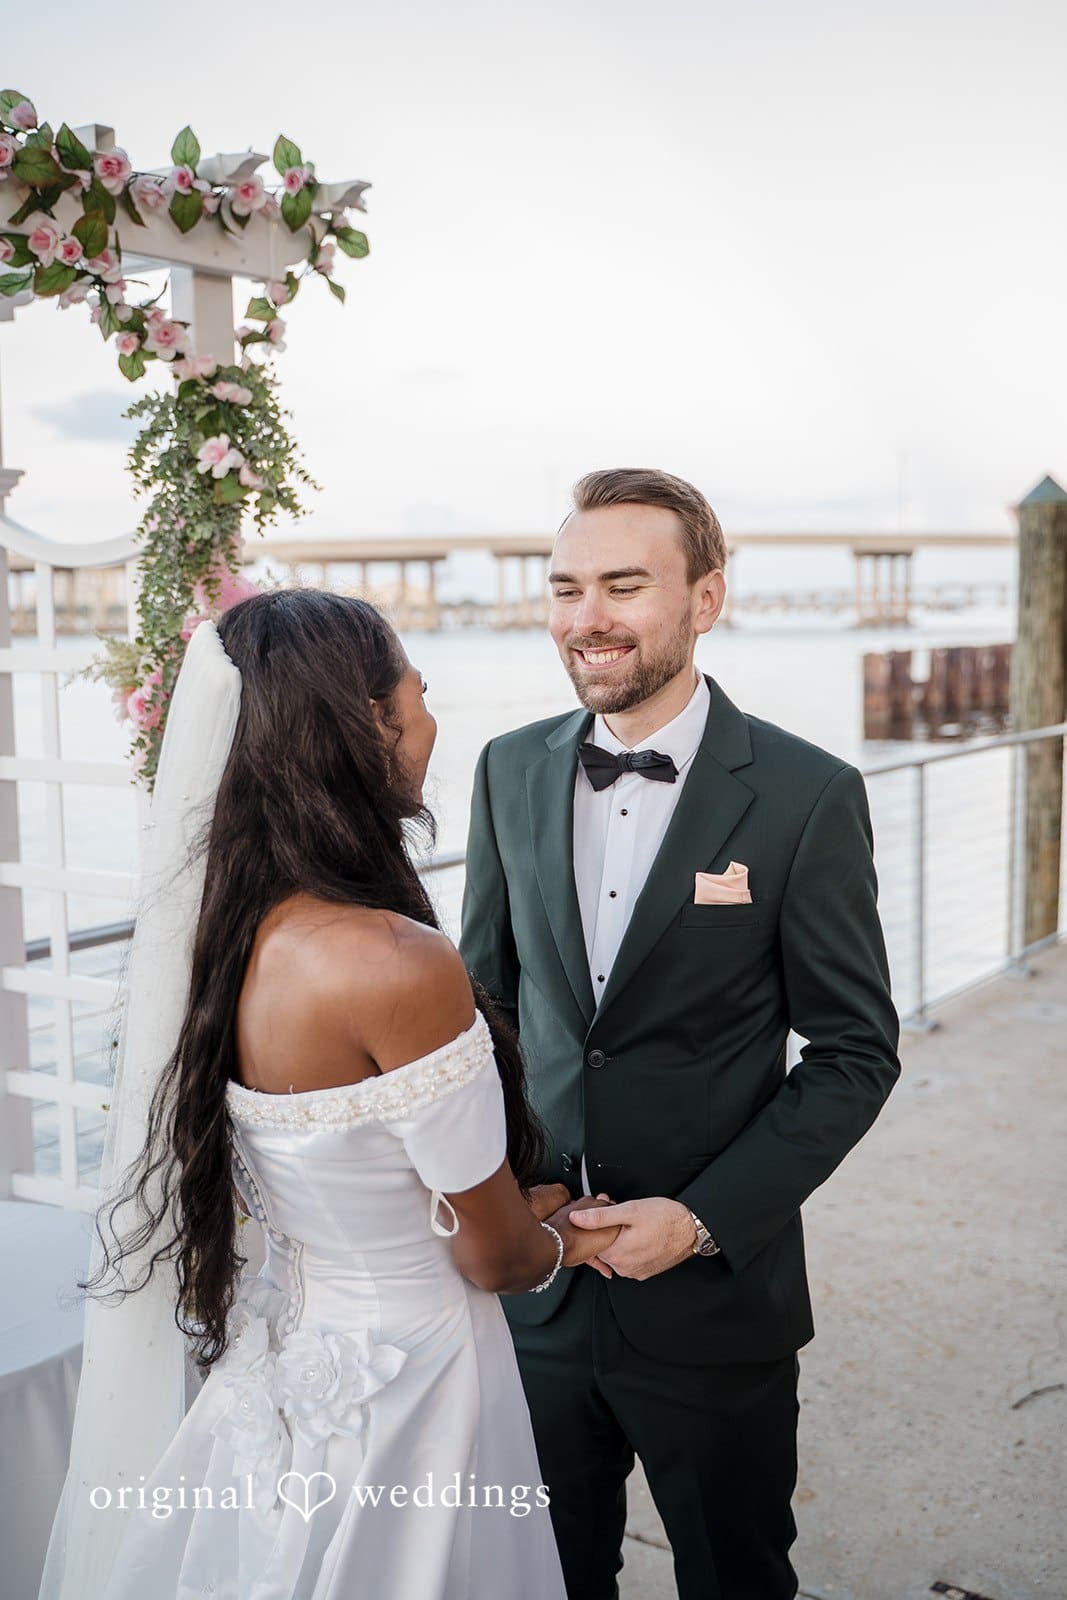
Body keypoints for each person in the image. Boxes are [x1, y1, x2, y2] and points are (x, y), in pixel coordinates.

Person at [41, 589, 619, 1600]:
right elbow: (488, 1253)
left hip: (284, 1373)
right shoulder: (395, 962)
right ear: (366, 724)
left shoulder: (229, 938)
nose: (431, 720)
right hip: (417, 1385)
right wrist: (565, 1230)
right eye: (418, 693)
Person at [459, 467, 902, 1600]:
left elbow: (852, 1051)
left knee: (735, 1577)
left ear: (704, 599)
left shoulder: (806, 794)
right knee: (546, 1578)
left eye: (622, 585)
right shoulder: (506, 768)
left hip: (715, 1304)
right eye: (565, 588)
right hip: (541, 1293)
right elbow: (486, 1012)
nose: (585, 618)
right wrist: (503, 1195)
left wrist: (701, 1221)